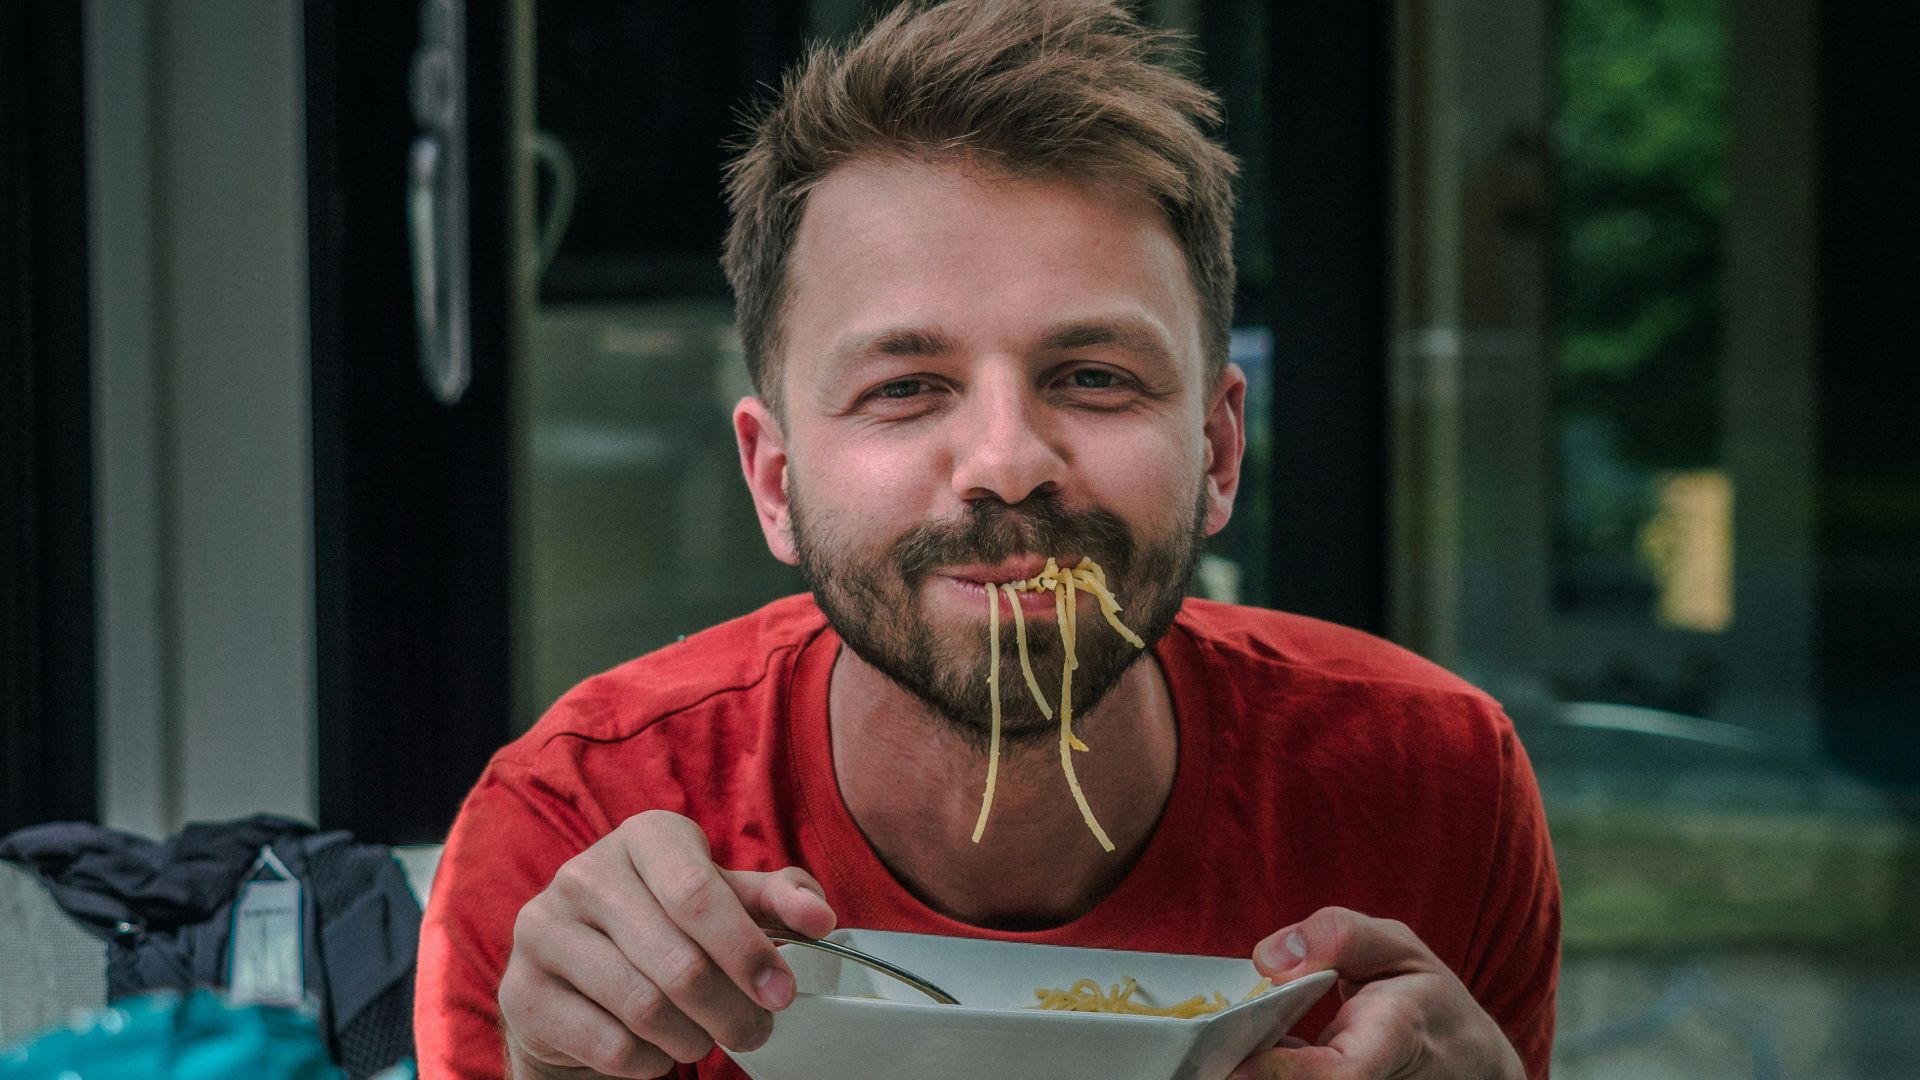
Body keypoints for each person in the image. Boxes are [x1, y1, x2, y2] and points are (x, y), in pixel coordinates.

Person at [414, 2, 1561, 1078]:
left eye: (1094, 377)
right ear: (773, 479)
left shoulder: (1434, 789)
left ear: (1217, 449)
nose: (1008, 460)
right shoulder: (568, 840)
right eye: (908, 387)